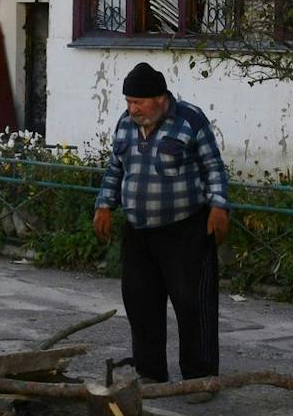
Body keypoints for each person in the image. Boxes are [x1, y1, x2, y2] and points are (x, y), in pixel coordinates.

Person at [92, 62, 230, 398]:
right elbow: (115, 167)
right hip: (139, 232)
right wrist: (104, 204)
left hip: (186, 229)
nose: (132, 109)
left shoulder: (189, 121)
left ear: (160, 98)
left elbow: (213, 166)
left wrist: (219, 206)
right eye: (128, 102)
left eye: (138, 102)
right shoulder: (126, 125)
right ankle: (151, 373)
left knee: (192, 303)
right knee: (141, 303)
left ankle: (199, 379)